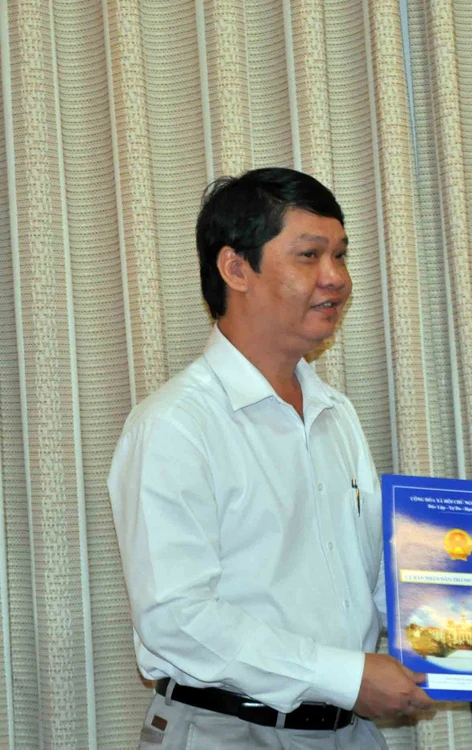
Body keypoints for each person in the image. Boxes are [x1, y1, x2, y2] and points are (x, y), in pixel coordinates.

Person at [108, 168, 435, 749]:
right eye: (309, 255)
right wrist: (344, 677)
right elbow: (176, 620)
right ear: (236, 269)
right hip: (225, 731)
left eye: (340, 255)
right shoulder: (175, 425)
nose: (337, 278)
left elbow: (368, 578)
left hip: (348, 731)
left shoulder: (335, 413)